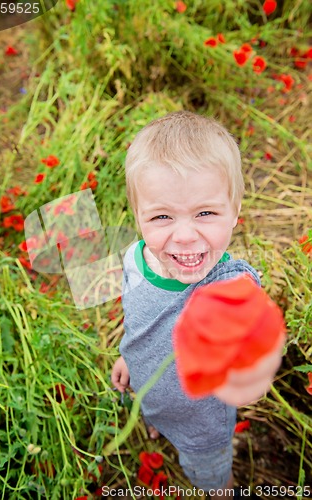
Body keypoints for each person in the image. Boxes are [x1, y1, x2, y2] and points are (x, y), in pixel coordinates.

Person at [111, 111, 283, 498]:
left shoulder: (227, 285)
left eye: (205, 213)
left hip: (200, 425)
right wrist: (129, 357)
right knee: (154, 415)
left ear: (235, 211)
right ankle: (158, 422)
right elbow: (137, 316)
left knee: (208, 476)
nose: (185, 235)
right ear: (138, 218)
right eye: (161, 216)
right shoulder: (133, 259)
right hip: (147, 389)